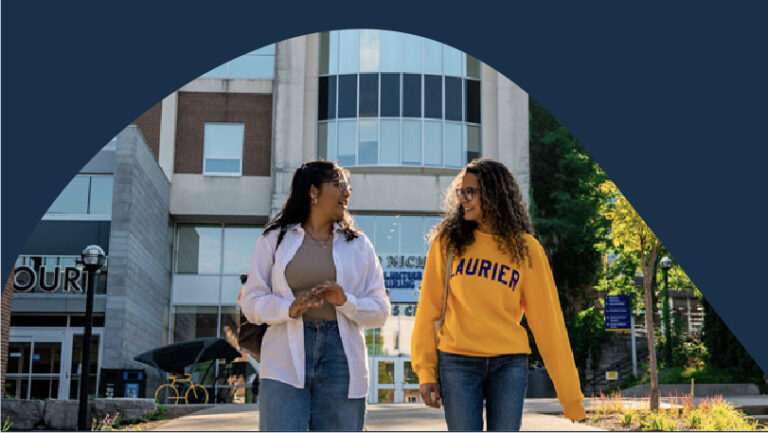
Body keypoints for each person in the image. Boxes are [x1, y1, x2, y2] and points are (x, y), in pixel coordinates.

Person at [411, 158, 586, 431]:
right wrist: (425, 371)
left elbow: (549, 325)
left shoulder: (526, 249)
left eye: (471, 192)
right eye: (461, 192)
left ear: (493, 194)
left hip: (509, 364)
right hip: (457, 361)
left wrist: (570, 397)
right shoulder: (447, 243)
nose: (463, 199)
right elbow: (428, 309)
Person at [238, 160, 389, 431]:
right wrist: (289, 308)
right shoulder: (275, 239)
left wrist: (346, 301)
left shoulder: (359, 245)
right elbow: (251, 301)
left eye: (346, 185)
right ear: (313, 192)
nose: (347, 191)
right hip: (284, 355)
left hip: (341, 357)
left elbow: (380, 310)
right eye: (338, 183)